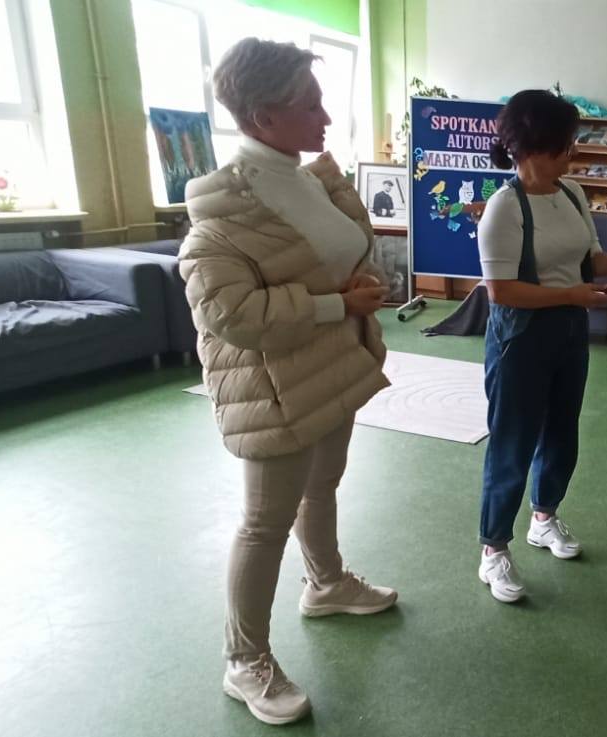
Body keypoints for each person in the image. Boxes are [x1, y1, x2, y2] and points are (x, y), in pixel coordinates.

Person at [179, 38, 398, 725]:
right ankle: (243, 659)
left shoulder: (306, 179)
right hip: (272, 385)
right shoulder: (220, 215)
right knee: (264, 521)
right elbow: (233, 315)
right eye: (309, 105)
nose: (325, 117)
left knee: (322, 482)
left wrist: (354, 283)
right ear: (263, 117)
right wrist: (339, 303)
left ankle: (326, 583)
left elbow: (335, 251)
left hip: (331, 363)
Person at [473, 89, 607, 603]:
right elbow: (501, 291)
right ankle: (493, 549)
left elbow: (589, 258)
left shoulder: (571, 193)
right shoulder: (504, 208)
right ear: (534, 146)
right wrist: (571, 295)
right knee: (512, 443)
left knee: (561, 432)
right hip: (521, 339)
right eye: (565, 143)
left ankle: (544, 518)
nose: (572, 152)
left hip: (569, 332)